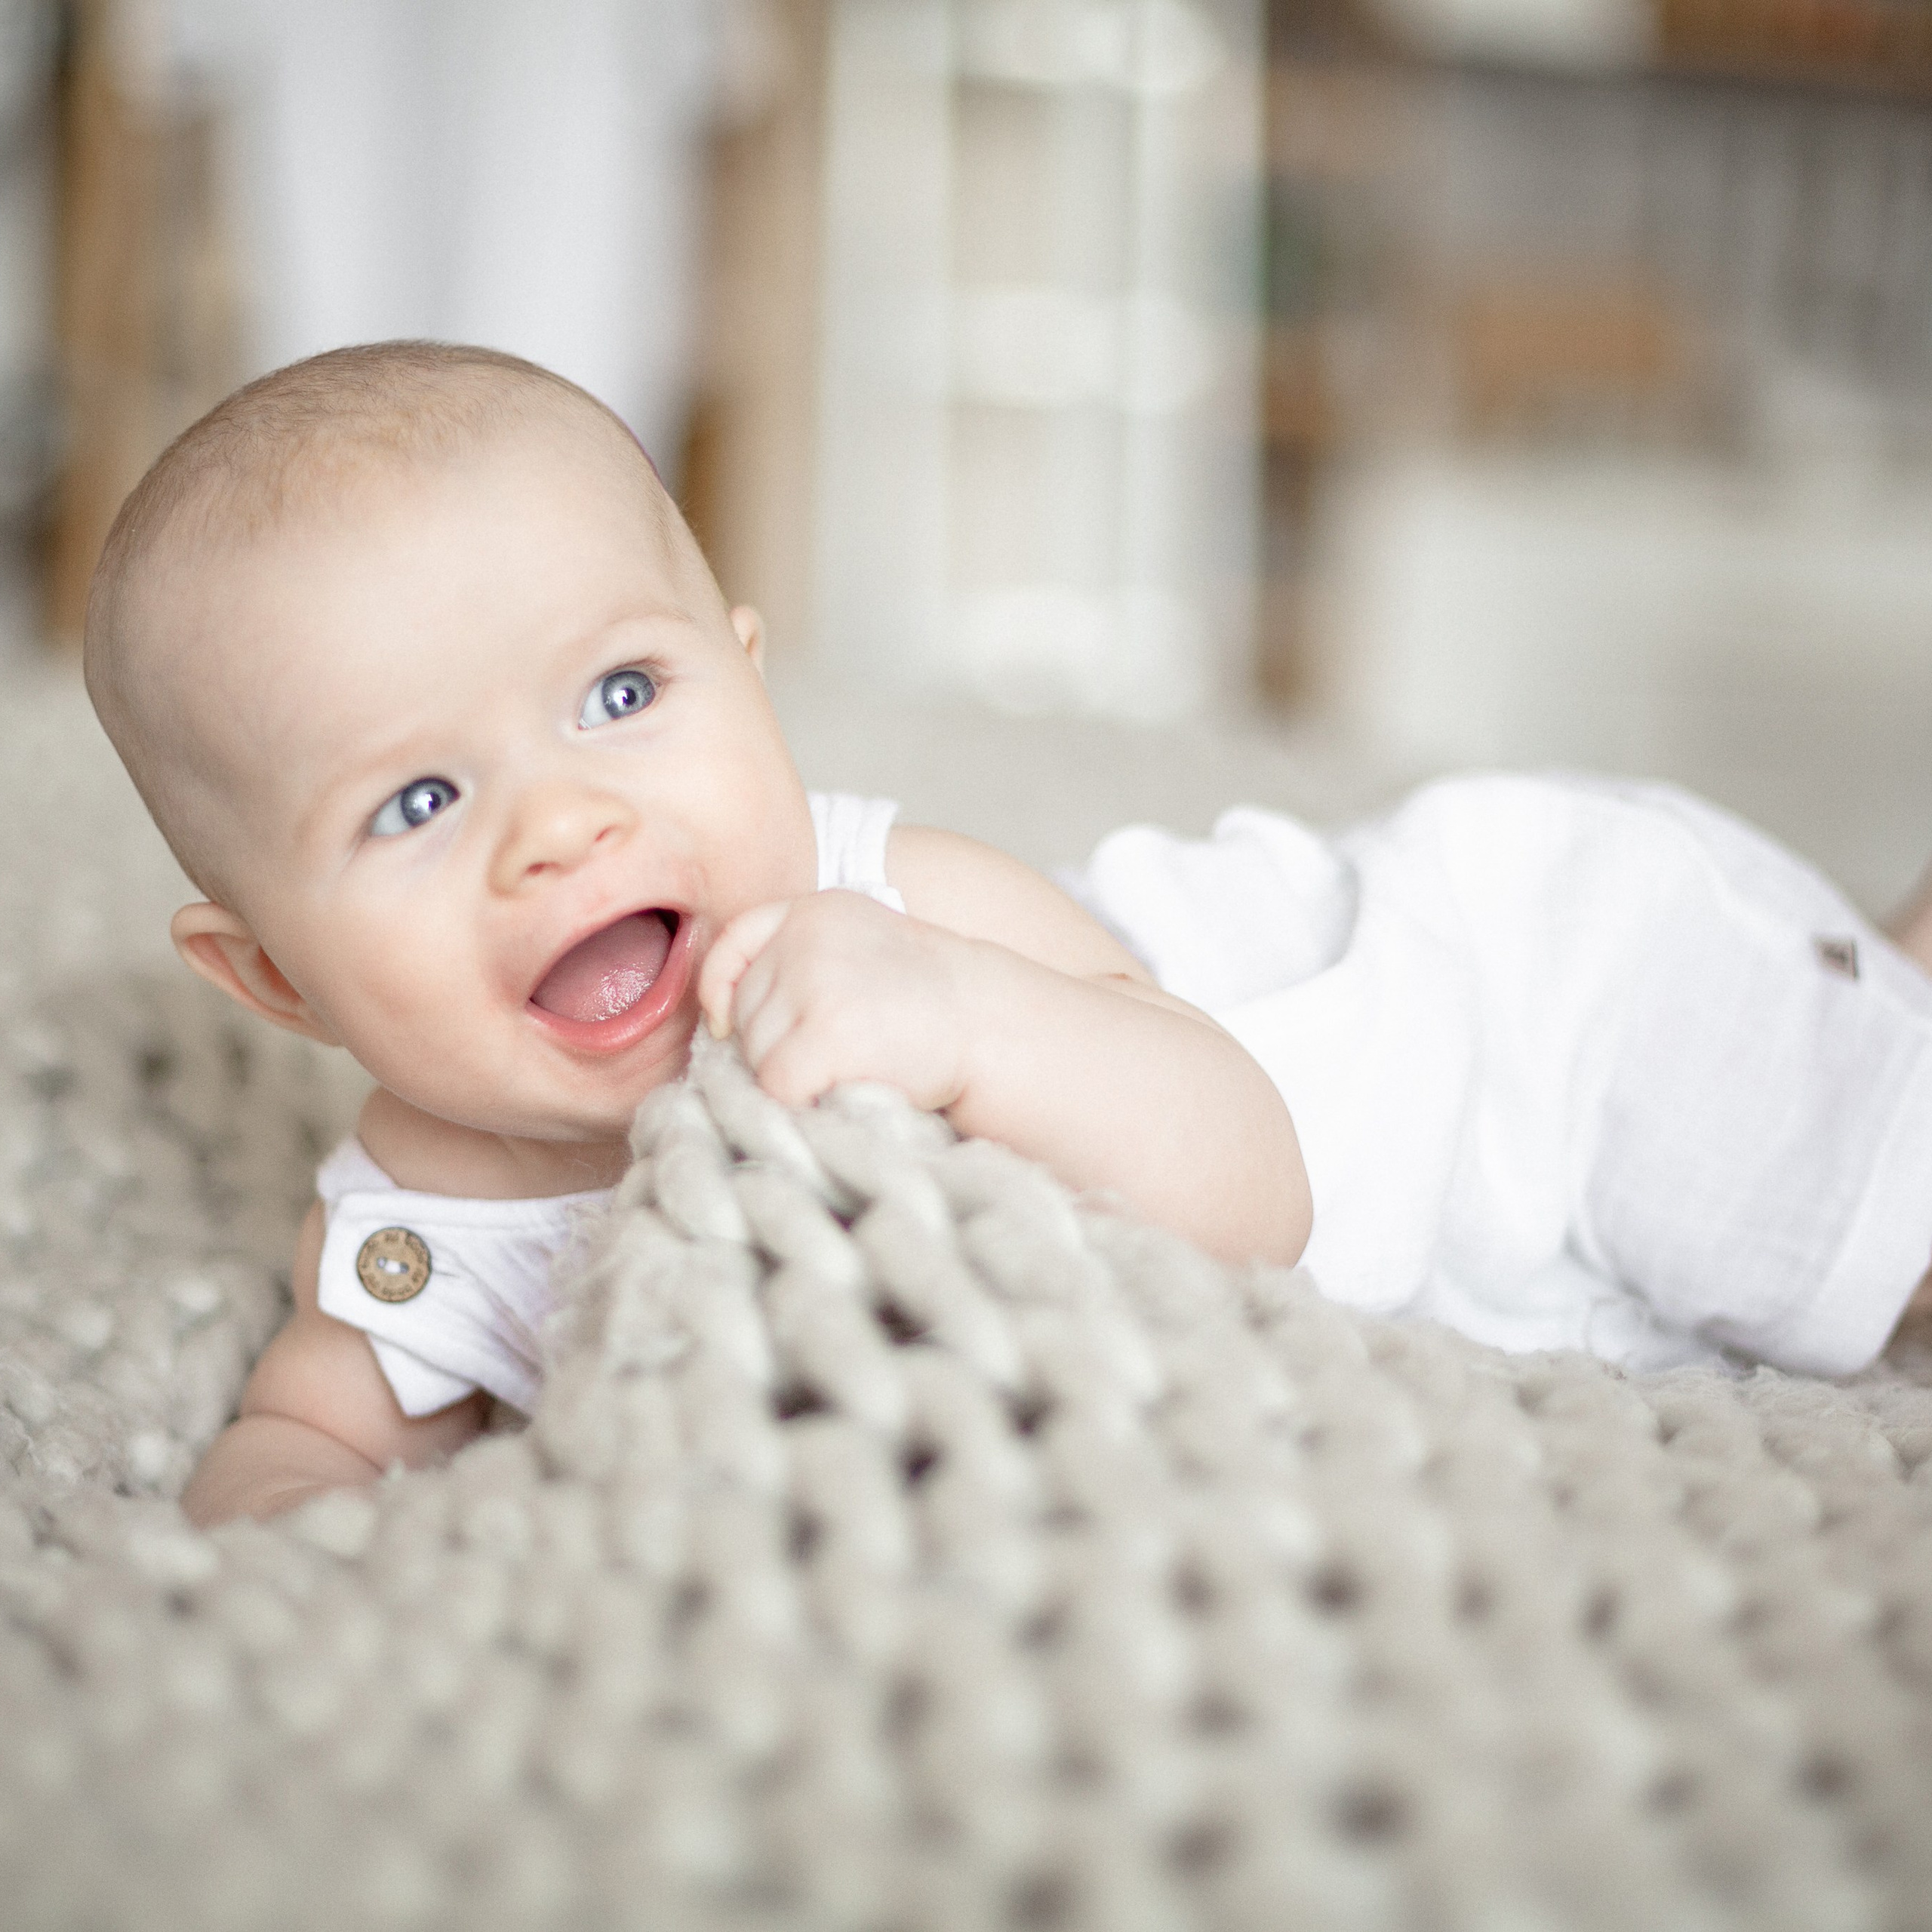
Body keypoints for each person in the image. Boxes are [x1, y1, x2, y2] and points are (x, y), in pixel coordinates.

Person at [82, 343, 1932, 1528]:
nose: (562, 825)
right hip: (1486, 1212)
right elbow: (311, 1441)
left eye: (622, 692)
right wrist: (283, 1536)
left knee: (1857, 1196)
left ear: (749, 678)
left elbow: (1251, 1183)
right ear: (271, 976)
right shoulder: (416, 1231)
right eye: (418, 804)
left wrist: (964, 1017)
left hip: (1508, 1024)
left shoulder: (907, 908)